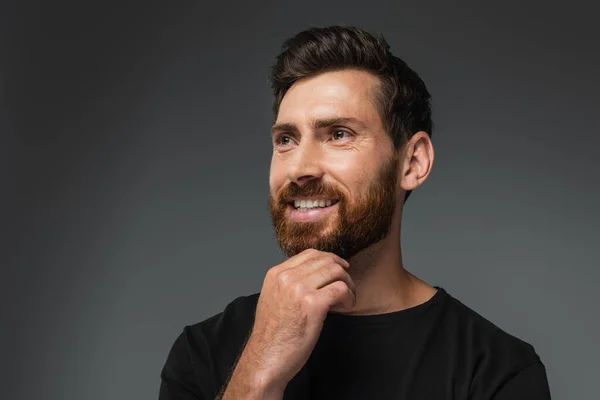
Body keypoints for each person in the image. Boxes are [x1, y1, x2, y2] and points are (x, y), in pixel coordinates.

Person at [159, 25, 551, 399]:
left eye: (339, 134)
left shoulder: (497, 371)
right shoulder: (203, 353)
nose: (299, 168)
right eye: (286, 139)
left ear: (412, 163)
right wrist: (259, 375)